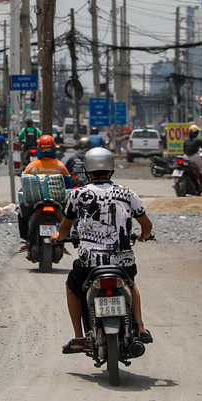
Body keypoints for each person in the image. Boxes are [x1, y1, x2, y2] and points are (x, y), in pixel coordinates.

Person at [50, 147, 153, 353]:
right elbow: (146, 225)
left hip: (90, 264)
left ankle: (79, 337)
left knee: (72, 287)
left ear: (88, 171)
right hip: (122, 261)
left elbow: (64, 229)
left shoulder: (78, 194)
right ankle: (140, 327)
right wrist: (144, 236)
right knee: (131, 284)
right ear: (111, 170)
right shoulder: (127, 193)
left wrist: (57, 237)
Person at [19, 134, 72, 239]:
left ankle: (26, 239)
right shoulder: (60, 166)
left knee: (22, 215)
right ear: (53, 148)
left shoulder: (32, 166)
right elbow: (68, 185)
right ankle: (67, 235)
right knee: (69, 214)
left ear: (39, 149)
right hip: (57, 200)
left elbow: (25, 186)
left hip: (36, 201)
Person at [182, 124, 202, 192]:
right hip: (194, 157)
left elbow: (184, 150)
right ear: (196, 133)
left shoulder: (186, 140)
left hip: (186, 157)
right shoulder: (198, 140)